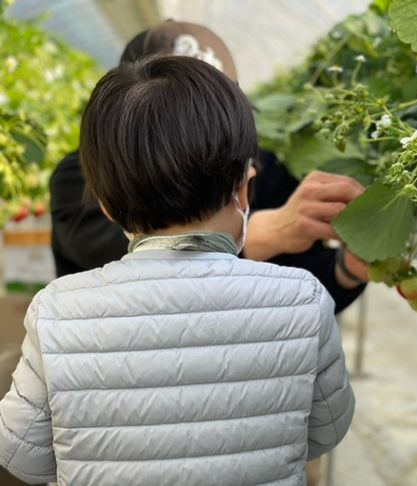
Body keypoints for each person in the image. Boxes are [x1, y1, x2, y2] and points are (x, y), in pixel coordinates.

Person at [0, 55, 354, 485]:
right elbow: (324, 430)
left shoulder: (57, 310)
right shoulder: (303, 298)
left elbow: (21, 452)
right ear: (243, 187)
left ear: (107, 206)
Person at [50, 20, 369, 315]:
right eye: (175, 115)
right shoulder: (79, 176)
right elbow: (133, 257)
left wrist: (347, 270)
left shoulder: (261, 167)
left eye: (211, 114)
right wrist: (265, 232)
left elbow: (307, 291)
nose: (199, 134)